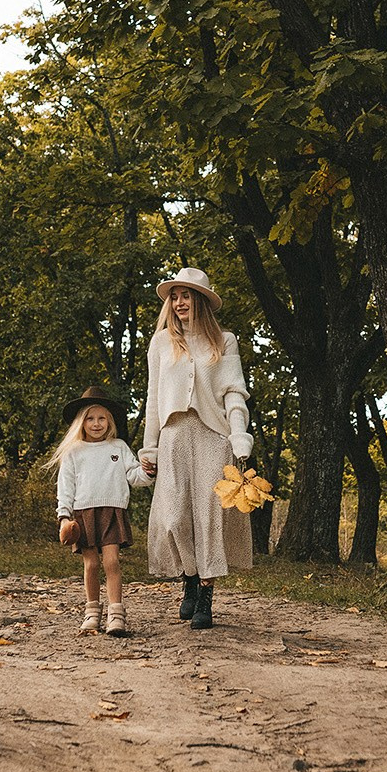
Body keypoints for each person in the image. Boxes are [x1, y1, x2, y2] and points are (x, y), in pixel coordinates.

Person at [138, 267, 253, 630]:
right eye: (174, 296)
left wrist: (239, 435)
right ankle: (189, 574)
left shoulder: (224, 341)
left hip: (213, 437)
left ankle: (205, 593)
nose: (179, 302)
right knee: (174, 517)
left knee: (209, 517)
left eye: (186, 295)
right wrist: (150, 447)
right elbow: (153, 398)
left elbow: (234, 393)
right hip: (173, 436)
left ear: (200, 300)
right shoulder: (160, 343)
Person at [51, 385, 152, 637]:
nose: (96, 424)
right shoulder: (74, 452)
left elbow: (135, 476)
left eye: (102, 418)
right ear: (81, 422)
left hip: (112, 511)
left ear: (110, 421)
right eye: (90, 419)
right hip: (83, 514)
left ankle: (116, 614)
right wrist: (64, 516)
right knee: (92, 564)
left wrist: (149, 471)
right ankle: (92, 613)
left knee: (112, 561)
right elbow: (66, 487)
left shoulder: (118, 447)